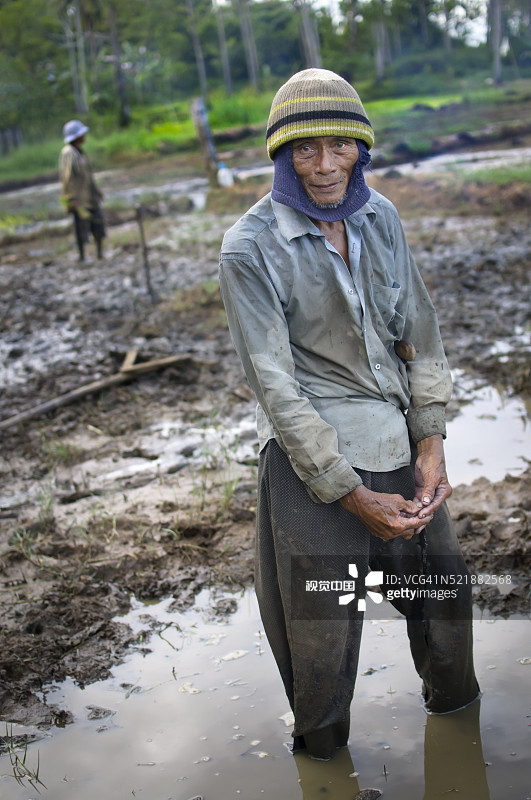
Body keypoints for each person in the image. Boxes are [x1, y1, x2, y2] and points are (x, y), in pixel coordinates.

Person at [219, 68, 480, 762]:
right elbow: (276, 388)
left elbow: (420, 331)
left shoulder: (379, 216)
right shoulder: (248, 249)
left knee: (446, 614)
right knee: (321, 650)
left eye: (340, 145)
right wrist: (349, 492)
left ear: (361, 149)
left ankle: (460, 741)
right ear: (281, 156)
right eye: (305, 149)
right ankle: (324, 763)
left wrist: (430, 443)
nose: (325, 165)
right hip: (313, 472)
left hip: (399, 451)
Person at [59, 119, 105, 262]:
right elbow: (67, 177)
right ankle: (82, 256)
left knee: (98, 224)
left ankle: (99, 254)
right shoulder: (69, 153)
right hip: (79, 198)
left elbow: (88, 176)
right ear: (77, 136)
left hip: (89, 197)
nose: (84, 135)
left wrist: (96, 192)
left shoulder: (79, 152)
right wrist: (71, 198)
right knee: (80, 228)